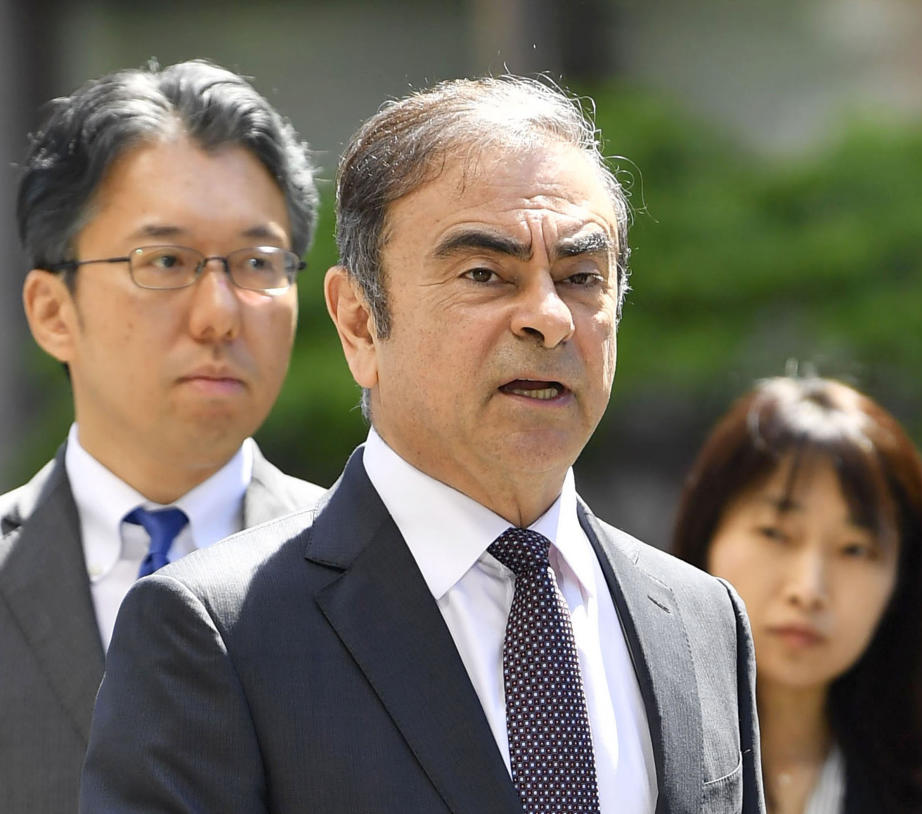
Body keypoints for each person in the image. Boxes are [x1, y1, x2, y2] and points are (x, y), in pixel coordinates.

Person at [81, 76, 764, 814]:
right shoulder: (215, 634)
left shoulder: (703, 622)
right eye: (484, 274)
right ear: (359, 323)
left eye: (581, 277)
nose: (548, 317)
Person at [0, 60, 325, 814]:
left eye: (256, 263)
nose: (218, 313)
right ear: (53, 311)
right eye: (166, 262)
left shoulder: (382, 578)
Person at [672, 376, 922, 813]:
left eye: (854, 549)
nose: (809, 590)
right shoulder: (627, 752)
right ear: (706, 534)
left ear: (902, 580)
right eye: (775, 533)